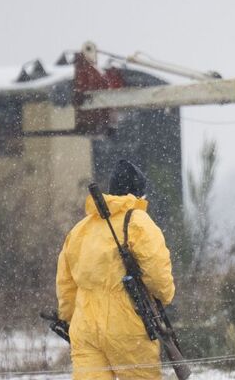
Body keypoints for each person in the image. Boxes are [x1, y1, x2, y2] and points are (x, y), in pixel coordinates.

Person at [56, 160, 175, 379]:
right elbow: (158, 276)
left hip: (85, 329)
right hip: (128, 324)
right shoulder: (139, 222)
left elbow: (66, 285)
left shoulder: (80, 229)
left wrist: (69, 317)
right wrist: (165, 297)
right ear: (138, 193)